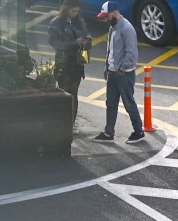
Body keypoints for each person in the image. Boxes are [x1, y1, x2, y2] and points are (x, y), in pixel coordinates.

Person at [93, 0, 145, 144]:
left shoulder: (127, 29)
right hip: (112, 72)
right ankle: (109, 132)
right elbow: (111, 50)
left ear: (114, 13)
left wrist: (121, 69)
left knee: (129, 103)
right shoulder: (113, 26)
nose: (105, 19)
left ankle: (138, 131)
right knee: (111, 103)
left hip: (124, 74)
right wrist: (107, 67)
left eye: (106, 16)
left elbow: (132, 55)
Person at [48, 0, 90, 129]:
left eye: (77, 11)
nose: (75, 13)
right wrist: (73, 42)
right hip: (64, 61)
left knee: (74, 93)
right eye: (73, 11)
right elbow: (54, 42)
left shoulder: (80, 22)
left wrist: (86, 42)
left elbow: (88, 35)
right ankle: (64, 121)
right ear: (66, 9)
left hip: (77, 61)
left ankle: (72, 122)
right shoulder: (56, 23)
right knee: (64, 92)